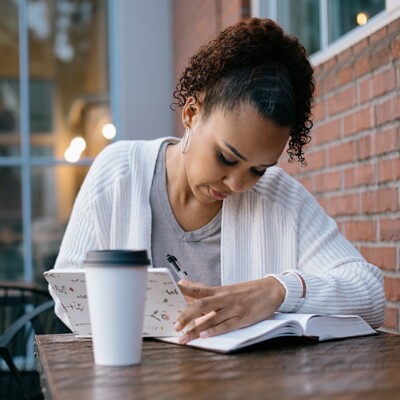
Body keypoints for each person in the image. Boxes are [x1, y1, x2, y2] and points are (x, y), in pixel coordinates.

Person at [50, 18, 385, 343]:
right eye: (226, 157)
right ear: (192, 113)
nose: (238, 184)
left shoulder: (279, 198)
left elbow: (370, 294)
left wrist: (275, 291)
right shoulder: (119, 172)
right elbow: (67, 293)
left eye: (258, 170)